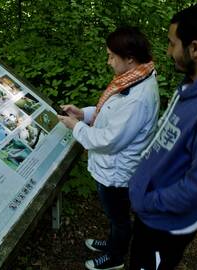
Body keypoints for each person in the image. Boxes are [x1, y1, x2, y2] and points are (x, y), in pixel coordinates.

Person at [128, 4, 197, 270]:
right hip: (150, 214)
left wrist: (149, 201)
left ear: (195, 49)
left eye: (173, 43)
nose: (168, 51)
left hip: (166, 225)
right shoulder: (190, 84)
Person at [58, 27, 159, 270]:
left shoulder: (137, 96)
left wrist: (75, 126)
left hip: (116, 172)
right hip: (111, 166)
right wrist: (83, 114)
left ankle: (115, 257)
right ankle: (113, 243)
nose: (109, 62)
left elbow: (109, 139)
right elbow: (111, 115)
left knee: (120, 218)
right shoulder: (135, 79)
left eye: (112, 56)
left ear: (130, 59)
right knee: (116, 217)